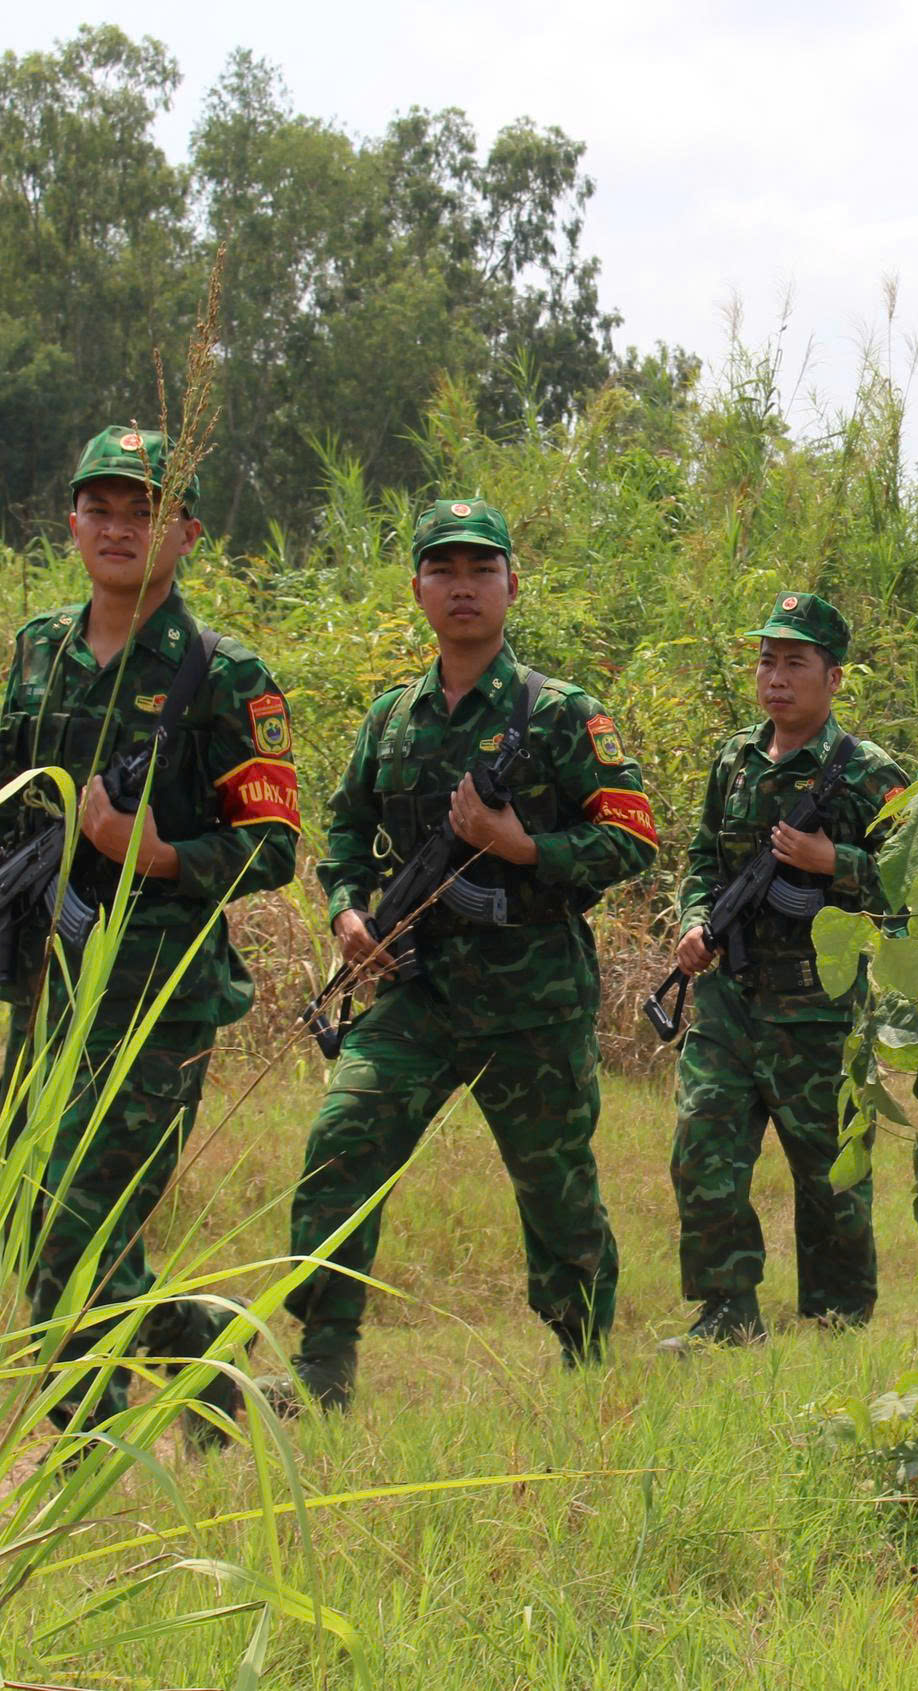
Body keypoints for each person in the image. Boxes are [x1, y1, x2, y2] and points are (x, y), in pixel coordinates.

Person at [0, 424, 300, 1449]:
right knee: (30, 1216)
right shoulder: (41, 650)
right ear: (72, 522)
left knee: (76, 1220)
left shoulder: (223, 673)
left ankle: (82, 1451)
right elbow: (1, 799)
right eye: (102, 508)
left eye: (146, 511)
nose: (120, 528)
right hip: (45, 982)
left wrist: (154, 853)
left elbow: (272, 846)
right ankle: (206, 1352)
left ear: (186, 533)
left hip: (154, 999)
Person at [282, 500, 658, 1405]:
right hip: (415, 994)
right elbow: (342, 833)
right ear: (417, 588)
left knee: (557, 1189)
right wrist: (347, 913)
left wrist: (524, 847)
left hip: (532, 1000)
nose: (462, 587)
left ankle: (584, 1361)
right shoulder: (391, 719)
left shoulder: (560, 714)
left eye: (481, 569)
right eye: (443, 569)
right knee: (342, 1142)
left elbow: (632, 838)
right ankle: (323, 1362)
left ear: (511, 586)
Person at [662, 592, 909, 1348]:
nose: (776, 677)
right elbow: (703, 858)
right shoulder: (733, 759)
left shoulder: (868, 773)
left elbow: (914, 888)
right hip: (728, 1003)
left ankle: (837, 1321)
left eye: (795, 663)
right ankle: (726, 1311)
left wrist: (837, 863)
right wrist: (695, 919)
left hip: (819, 1010)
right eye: (767, 660)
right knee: (702, 1151)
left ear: (833, 678)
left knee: (830, 1175)